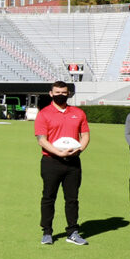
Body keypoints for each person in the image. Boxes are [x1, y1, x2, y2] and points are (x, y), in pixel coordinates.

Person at [34, 81, 89, 246]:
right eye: (57, 92)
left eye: (63, 92)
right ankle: (47, 232)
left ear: (68, 94)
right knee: (49, 197)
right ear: (51, 93)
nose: (60, 95)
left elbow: (85, 135)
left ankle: (72, 232)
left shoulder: (78, 113)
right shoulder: (44, 113)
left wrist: (79, 150)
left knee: (72, 199)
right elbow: (41, 140)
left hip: (73, 162)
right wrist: (58, 152)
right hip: (51, 162)